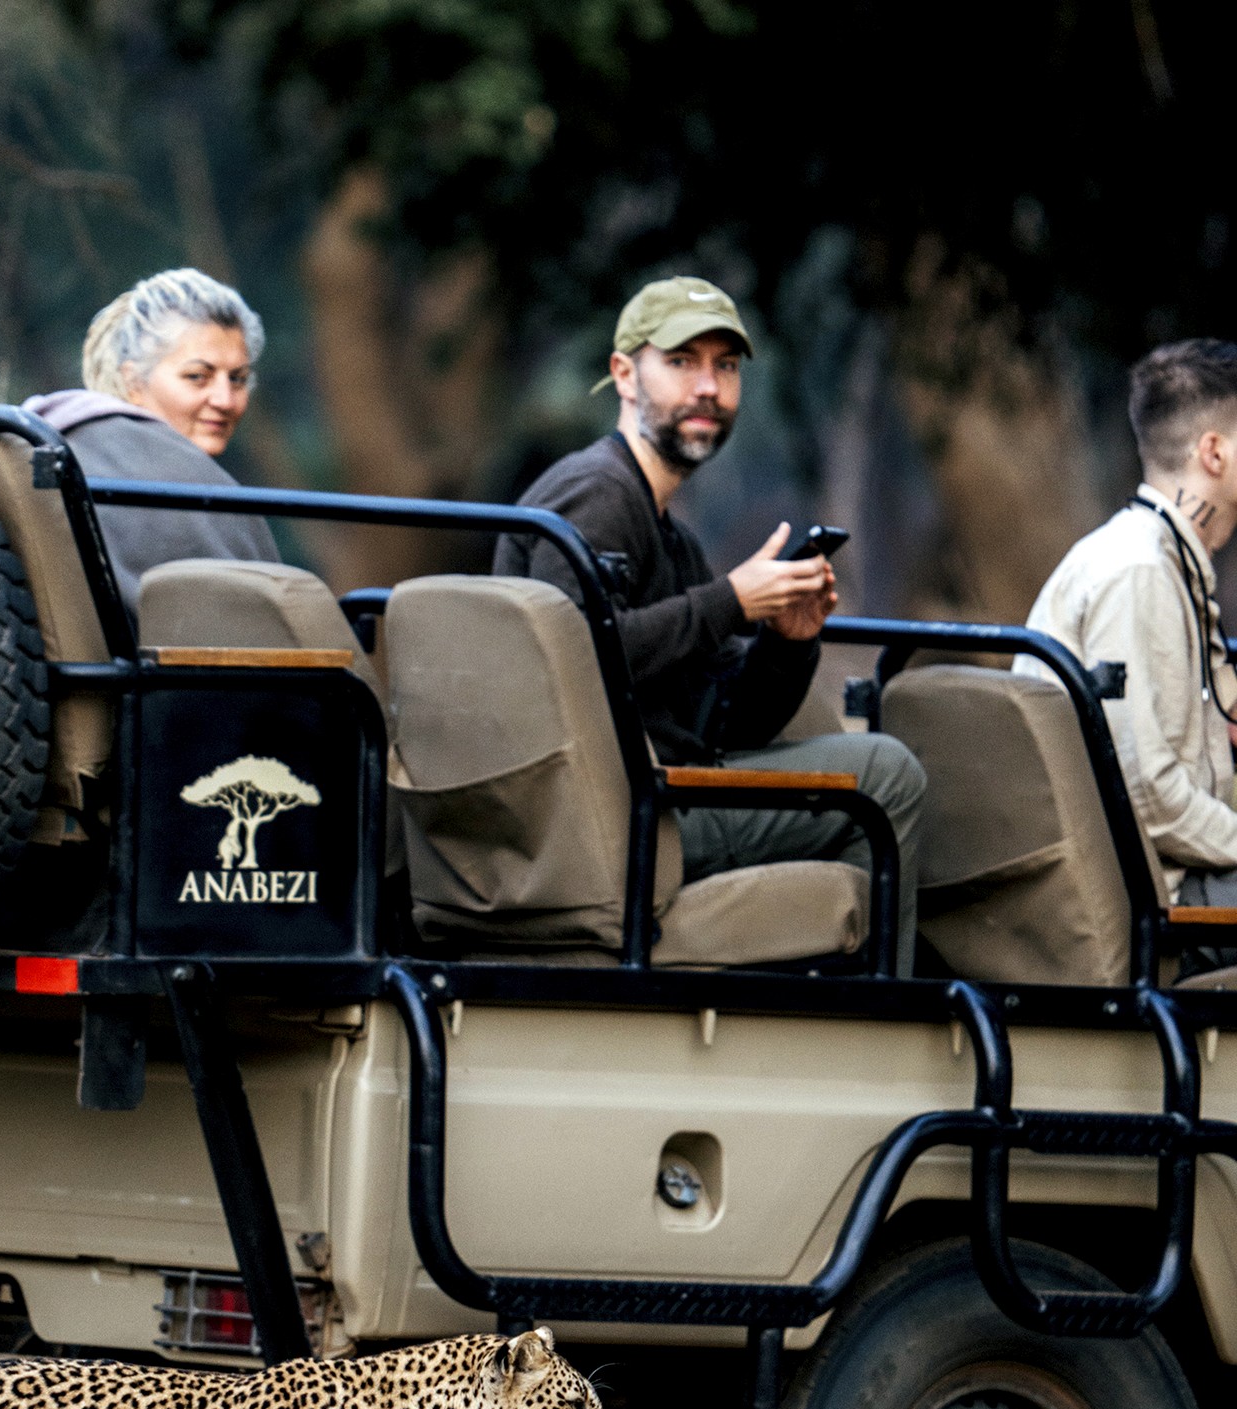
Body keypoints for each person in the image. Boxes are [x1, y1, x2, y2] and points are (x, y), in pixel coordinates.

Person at [493, 276, 926, 965]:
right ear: (625, 375)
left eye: (725, 367)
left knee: (865, 788)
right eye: (682, 362)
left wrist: (787, 642)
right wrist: (730, 601)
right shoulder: (598, 495)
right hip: (615, 815)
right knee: (886, 773)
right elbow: (568, 662)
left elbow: (732, 724)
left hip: (659, 791)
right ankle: (890, 1029)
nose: (708, 388)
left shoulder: (673, 537)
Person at [1019, 339, 1237, 964]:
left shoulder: (1165, 559)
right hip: (1162, 901)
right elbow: (1152, 795)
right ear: (1214, 453)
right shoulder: (1139, 572)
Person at [25, 267, 279, 617]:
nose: (225, 399)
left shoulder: (47, 445)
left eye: (238, 379)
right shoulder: (150, 480)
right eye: (197, 377)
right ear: (133, 381)